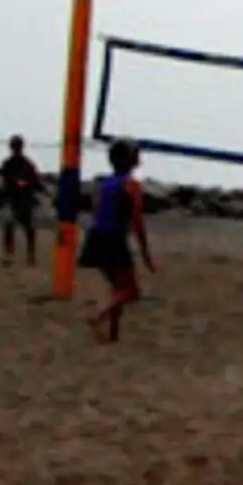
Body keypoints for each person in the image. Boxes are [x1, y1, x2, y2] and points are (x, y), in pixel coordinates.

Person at [80, 139, 156, 342]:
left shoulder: (106, 183)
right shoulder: (131, 185)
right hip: (113, 238)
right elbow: (138, 222)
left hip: (96, 236)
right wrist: (146, 254)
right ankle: (98, 316)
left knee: (117, 289)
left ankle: (113, 334)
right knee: (131, 292)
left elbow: (96, 211)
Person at [0, 135, 42, 267]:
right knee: (10, 225)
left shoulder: (27, 164)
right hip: (13, 198)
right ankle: (9, 254)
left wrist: (26, 184)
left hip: (24, 199)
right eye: (14, 146)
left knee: (27, 228)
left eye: (17, 146)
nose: (16, 149)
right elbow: (7, 180)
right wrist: (19, 183)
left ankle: (30, 255)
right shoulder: (8, 163)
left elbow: (34, 180)